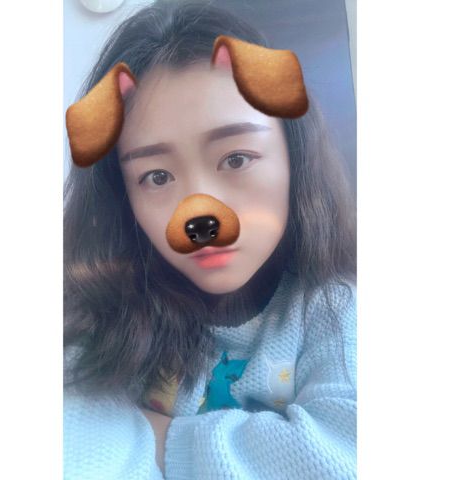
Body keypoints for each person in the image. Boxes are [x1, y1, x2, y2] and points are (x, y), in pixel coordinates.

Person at [63, 1, 356, 479]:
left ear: (293, 153)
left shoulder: (334, 309)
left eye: (236, 159)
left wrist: (161, 438)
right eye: (157, 176)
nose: (198, 213)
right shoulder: (101, 311)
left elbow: (346, 458)